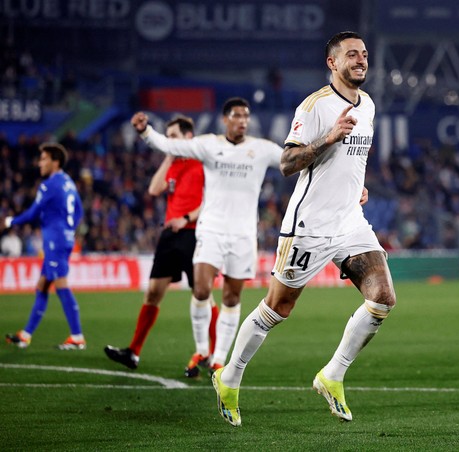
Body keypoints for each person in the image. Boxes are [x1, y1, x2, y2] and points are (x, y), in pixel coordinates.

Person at [211, 31, 396, 427]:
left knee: (382, 298)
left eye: (364, 54)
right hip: (309, 225)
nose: (361, 59)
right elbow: (288, 162)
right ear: (333, 63)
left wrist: (355, 186)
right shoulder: (315, 106)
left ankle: (332, 376)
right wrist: (329, 137)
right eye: (352, 55)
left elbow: (352, 159)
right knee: (279, 307)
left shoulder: (369, 105)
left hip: (349, 221)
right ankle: (229, 377)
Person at [130, 98, 285, 377]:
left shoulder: (261, 149)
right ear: (225, 119)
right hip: (211, 229)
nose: (243, 120)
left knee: (231, 297)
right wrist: (146, 132)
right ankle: (202, 349)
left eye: (246, 116)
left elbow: (292, 160)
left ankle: (218, 359)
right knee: (201, 289)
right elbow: (171, 146)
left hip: (242, 234)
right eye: (237, 115)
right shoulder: (209, 144)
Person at [104, 116, 214, 372]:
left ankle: (213, 358)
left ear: (189, 137)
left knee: (203, 295)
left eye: (173, 137)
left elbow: (212, 200)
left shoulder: (204, 161)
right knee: (153, 292)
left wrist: (186, 218)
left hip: (195, 233)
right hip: (170, 235)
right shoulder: (174, 163)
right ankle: (133, 352)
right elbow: (154, 189)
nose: (168, 141)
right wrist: (168, 154)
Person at [4, 143, 85, 350]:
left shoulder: (49, 184)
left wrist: (9, 222)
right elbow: (79, 212)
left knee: (61, 285)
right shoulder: (69, 182)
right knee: (42, 286)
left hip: (54, 240)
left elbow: (32, 214)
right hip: (63, 238)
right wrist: (68, 230)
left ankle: (77, 336)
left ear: (55, 161)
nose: (40, 163)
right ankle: (26, 334)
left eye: (43, 159)